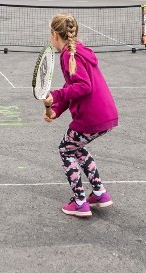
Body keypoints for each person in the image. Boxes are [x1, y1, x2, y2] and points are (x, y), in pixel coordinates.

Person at [43, 13, 118, 218]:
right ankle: (100, 193)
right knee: (75, 147)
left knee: (65, 150)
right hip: (105, 113)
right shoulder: (78, 51)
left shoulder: (69, 54)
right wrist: (56, 109)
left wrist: (56, 95)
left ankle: (80, 202)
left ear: (54, 35)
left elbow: (83, 86)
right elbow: (72, 87)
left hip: (91, 116)